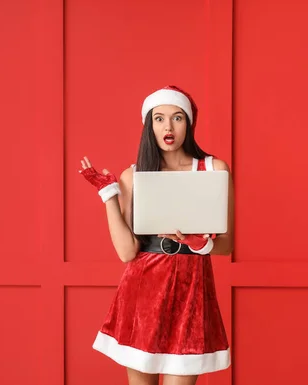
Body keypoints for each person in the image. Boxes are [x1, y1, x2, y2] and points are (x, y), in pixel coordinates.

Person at [79, 85, 234, 385]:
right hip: (142, 294)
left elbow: (227, 245)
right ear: (149, 125)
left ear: (188, 124)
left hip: (191, 293)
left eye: (177, 118)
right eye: (159, 118)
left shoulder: (213, 170)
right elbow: (127, 252)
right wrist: (108, 194)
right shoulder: (134, 175)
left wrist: (200, 243)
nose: (168, 126)